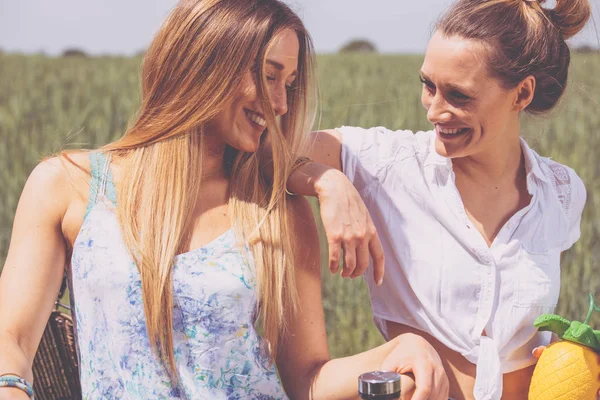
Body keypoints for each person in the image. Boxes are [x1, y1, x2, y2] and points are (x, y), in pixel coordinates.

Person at [0, 0, 450, 399]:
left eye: (289, 83)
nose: (280, 104)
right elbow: (12, 340)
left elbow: (308, 379)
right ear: (204, 64)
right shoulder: (69, 185)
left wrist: (399, 351)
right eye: (269, 75)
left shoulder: (275, 212)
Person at [285, 0, 591, 399]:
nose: (434, 110)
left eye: (458, 95)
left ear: (522, 93)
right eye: (428, 86)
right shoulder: (390, 164)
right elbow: (268, 151)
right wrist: (329, 183)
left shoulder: (562, 192)